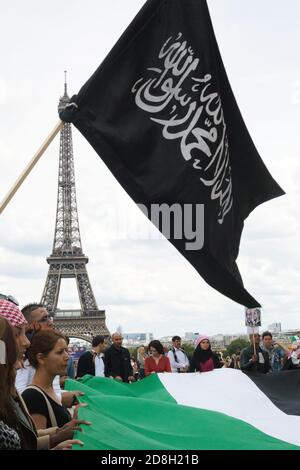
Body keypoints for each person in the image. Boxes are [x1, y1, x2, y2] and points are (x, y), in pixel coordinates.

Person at [0, 310, 83, 450]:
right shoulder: (29, 395)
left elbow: (26, 439)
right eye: (16, 334)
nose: (26, 342)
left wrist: (59, 433)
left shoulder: (11, 393)